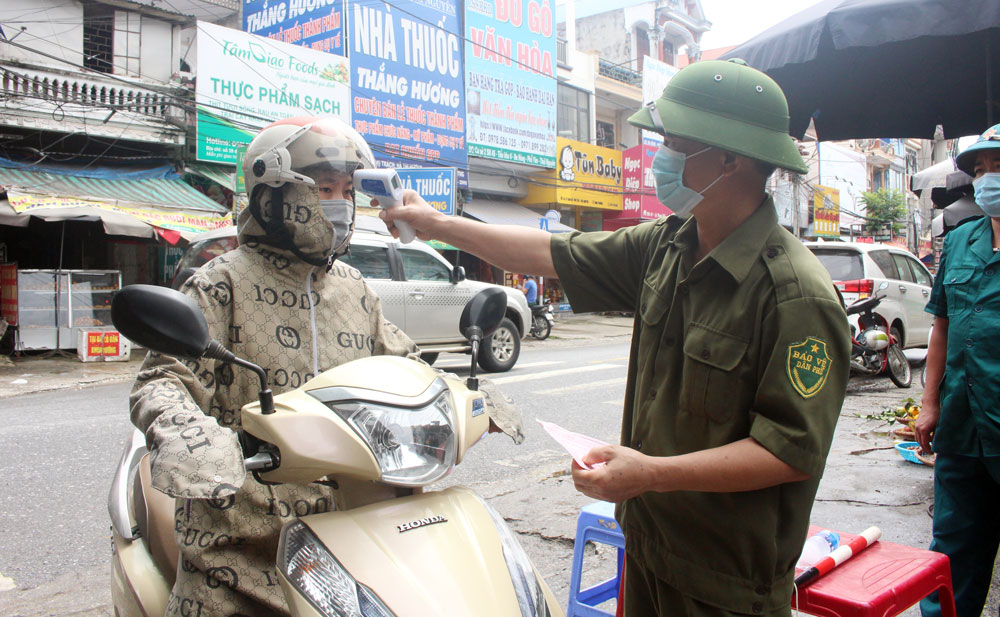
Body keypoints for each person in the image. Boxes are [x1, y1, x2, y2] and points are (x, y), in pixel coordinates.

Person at [381, 58, 850, 617]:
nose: (661, 159)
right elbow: (553, 253)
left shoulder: (795, 296)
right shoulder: (668, 243)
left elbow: (788, 453)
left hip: (724, 583)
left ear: (730, 158)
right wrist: (437, 225)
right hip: (650, 547)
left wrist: (650, 473)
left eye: (675, 143)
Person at [129, 116, 420, 616]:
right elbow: (162, 378)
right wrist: (188, 434)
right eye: (324, 188)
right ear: (273, 197)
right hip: (241, 541)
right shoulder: (220, 284)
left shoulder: (354, 289)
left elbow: (405, 364)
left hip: (353, 529)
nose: (340, 203)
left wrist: (459, 398)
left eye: (347, 190)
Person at [916, 124, 1000, 617]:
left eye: (999, 167)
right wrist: (930, 404)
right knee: (951, 560)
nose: (988, 179)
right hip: (963, 430)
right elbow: (941, 326)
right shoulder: (963, 240)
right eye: (981, 170)